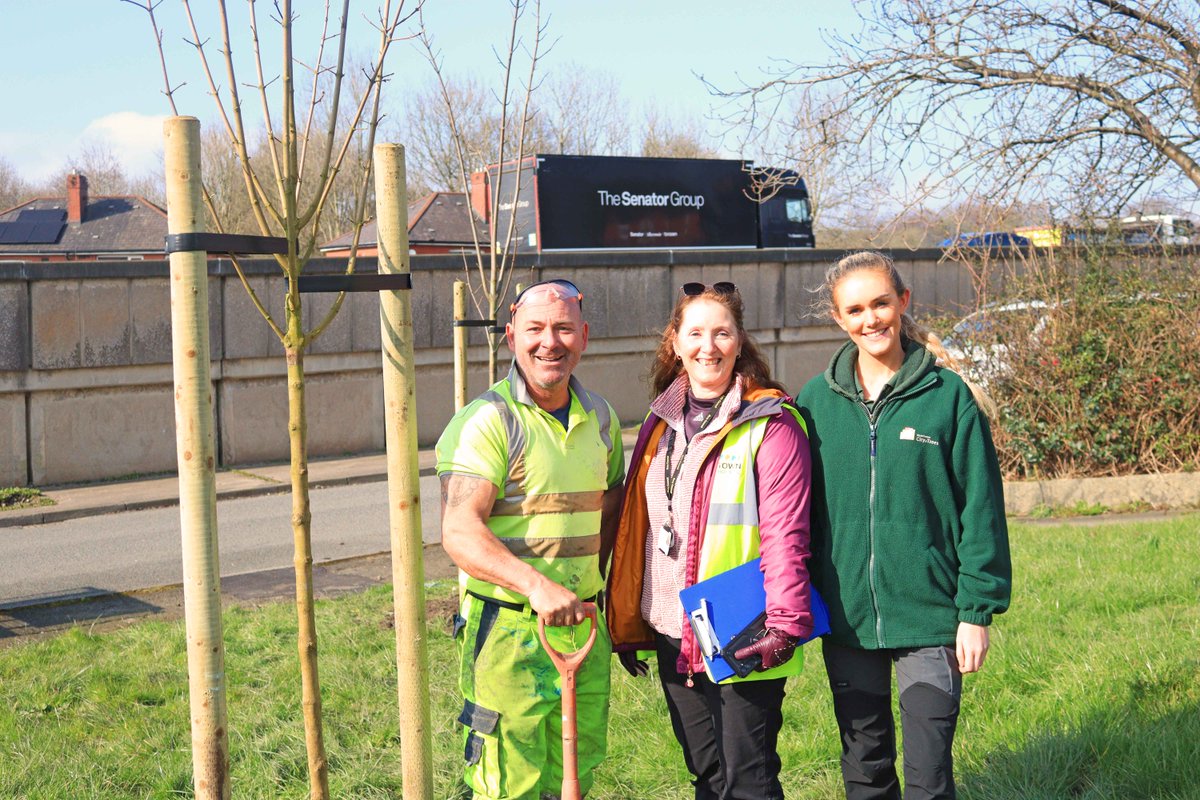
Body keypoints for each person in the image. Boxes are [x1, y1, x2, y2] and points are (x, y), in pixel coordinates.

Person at [796, 251, 1012, 800]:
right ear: (839, 319)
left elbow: (980, 510)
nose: (871, 319)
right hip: (848, 620)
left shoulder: (949, 398)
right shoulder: (814, 404)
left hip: (933, 620)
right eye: (856, 309)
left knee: (929, 774)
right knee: (865, 768)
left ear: (903, 303)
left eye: (881, 304)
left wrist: (975, 612)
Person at [606, 281, 815, 800]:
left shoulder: (772, 423)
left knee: (749, 780)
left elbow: (787, 533)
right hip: (674, 626)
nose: (709, 346)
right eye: (695, 332)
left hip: (746, 627)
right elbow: (642, 529)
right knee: (707, 775)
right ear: (674, 343)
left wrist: (785, 628)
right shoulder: (661, 421)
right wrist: (629, 620)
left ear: (739, 341)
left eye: (722, 333)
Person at [436, 279, 625, 800]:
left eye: (564, 328)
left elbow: (610, 507)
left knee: (576, 772)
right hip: (509, 632)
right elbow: (459, 531)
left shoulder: (602, 420)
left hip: (581, 629)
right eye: (536, 329)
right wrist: (536, 586)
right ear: (510, 335)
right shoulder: (487, 422)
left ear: (583, 336)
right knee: (508, 783)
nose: (550, 342)